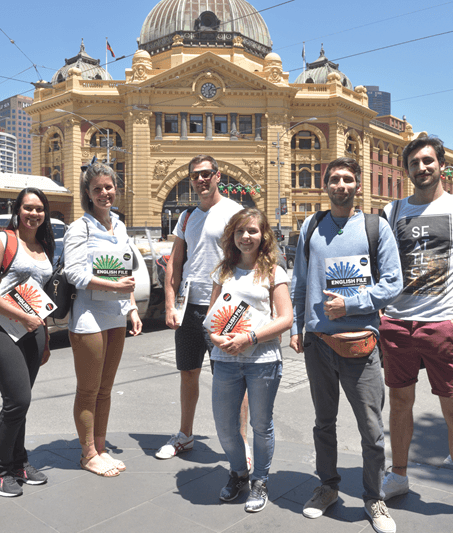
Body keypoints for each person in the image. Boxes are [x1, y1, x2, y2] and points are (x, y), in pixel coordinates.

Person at [379, 137, 453, 533]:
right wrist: (380, 313)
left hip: (442, 327)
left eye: (428, 161)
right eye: (414, 162)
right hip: (397, 325)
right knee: (399, 403)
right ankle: (399, 475)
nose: (422, 167)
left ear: (441, 165)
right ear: (406, 169)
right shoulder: (391, 210)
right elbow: (377, 263)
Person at [290, 157, 402, 533]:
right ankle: (327, 487)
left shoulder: (375, 227)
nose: (340, 184)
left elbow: (393, 284)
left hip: (362, 345)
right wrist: (296, 325)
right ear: (326, 185)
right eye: (334, 179)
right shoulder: (312, 225)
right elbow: (301, 282)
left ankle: (374, 499)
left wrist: (350, 304)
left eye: (347, 179)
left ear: (358, 185)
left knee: (371, 428)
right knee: (324, 422)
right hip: (318, 343)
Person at [158, 155, 245, 460]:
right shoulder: (186, 218)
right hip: (189, 308)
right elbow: (175, 264)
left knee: (232, 378)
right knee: (188, 372)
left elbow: (247, 261)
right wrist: (170, 305)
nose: (201, 180)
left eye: (206, 174)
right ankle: (185, 435)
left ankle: (242, 443)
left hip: (223, 309)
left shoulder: (235, 213)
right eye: (196, 175)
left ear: (218, 176)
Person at [208, 208, 293, 513]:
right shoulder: (224, 271)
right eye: (240, 231)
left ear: (263, 235)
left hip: (263, 361)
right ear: (232, 235)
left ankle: (260, 480)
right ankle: (238, 472)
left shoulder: (274, 272)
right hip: (225, 359)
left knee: (261, 424)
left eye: (253, 231)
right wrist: (217, 338)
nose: (246, 237)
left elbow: (286, 319)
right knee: (226, 426)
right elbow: (212, 317)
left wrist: (251, 338)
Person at [0, 187, 55, 497]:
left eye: (39, 209)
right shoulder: (4, 240)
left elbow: (40, 297)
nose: (34, 213)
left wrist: (44, 337)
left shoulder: (44, 246)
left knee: (21, 403)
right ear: (18, 210)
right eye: (28, 208)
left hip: (32, 331)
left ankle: (18, 463)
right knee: (17, 401)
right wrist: (23, 318)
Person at [63, 162, 143, 477]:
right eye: (97, 189)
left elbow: (125, 273)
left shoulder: (120, 226)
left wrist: (132, 307)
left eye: (108, 187)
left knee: (106, 389)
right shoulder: (79, 227)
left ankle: (100, 446)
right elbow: (74, 273)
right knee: (88, 389)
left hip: (116, 314)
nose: (104, 193)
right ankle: (88, 454)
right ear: (88, 193)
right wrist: (115, 287)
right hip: (88, 316)